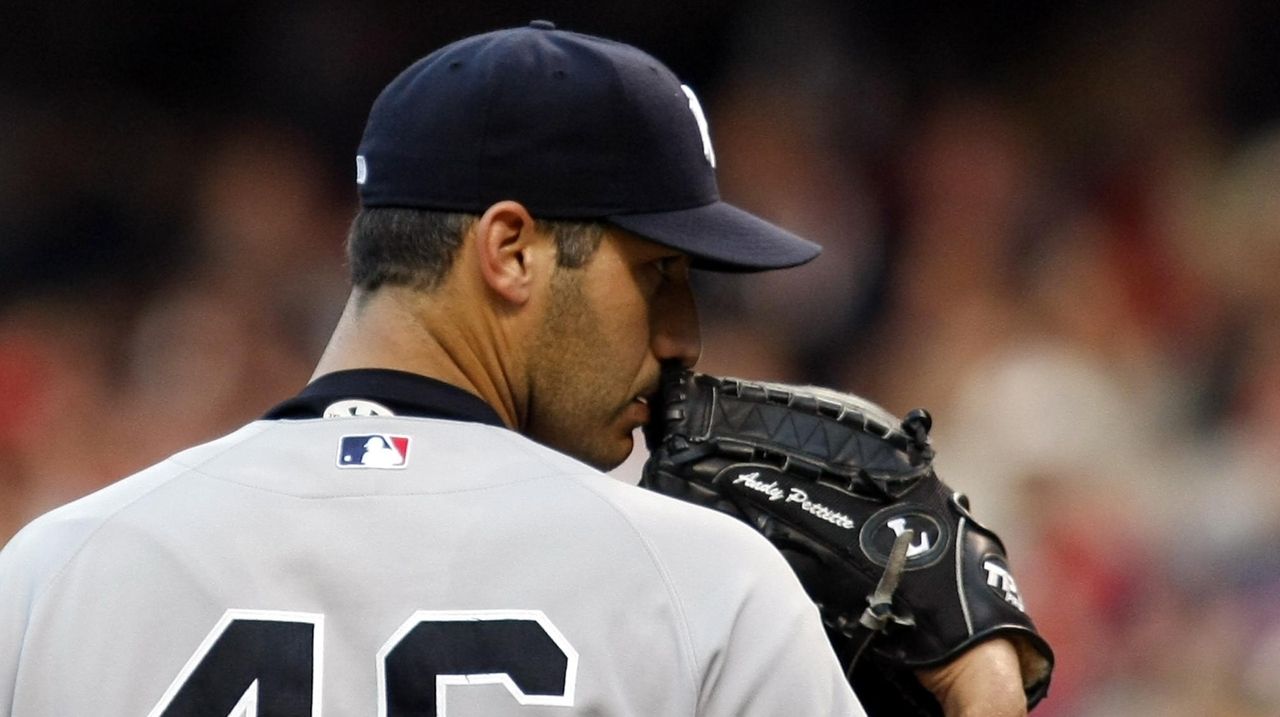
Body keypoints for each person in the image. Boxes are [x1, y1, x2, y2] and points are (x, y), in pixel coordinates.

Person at [0, 22, 1028, 716]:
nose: (681, 338)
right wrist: (980, 689)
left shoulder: (58, 573)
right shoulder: (695, 578)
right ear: (509, 249)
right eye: (658, 273)